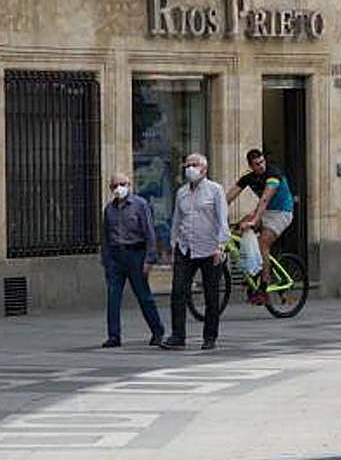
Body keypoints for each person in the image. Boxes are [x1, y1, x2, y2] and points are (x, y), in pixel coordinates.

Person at [161, 153, 229, 351]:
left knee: (211, 294)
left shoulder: (215, 190)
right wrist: (173, 244)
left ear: (204, 169)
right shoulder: (181, 192)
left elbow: (222, 220)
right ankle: (178, 335)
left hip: (210, 249)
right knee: (178, 291)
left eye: (194, 165)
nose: (189, 168)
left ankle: (209, 337)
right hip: (186, 247)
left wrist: (221, 246)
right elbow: (176, 220)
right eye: (187, 165)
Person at [99, 172, 166, 348]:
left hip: (136, 253)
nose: (118, 188)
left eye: (122, 184)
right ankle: (114, 335)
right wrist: (106, 260)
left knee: (144, 296)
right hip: (115, 256)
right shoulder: (109, 209)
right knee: (113, 297)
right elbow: (105, 237)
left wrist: (149, 259)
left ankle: (157, 331)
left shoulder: (139, 205)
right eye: (114, 185)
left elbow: (150, 233)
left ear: (129, 185)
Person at [226, 148, 294, 305]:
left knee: (262, 243)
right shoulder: (249, 178)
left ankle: (263, 287)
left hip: (282, 212)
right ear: (251, 166)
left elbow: (264, 199)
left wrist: (255, 219)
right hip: (266, 212)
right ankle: (254, 270)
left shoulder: (273, 175)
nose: (262, 166)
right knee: (237, 230)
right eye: (257, 164)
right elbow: (228, 197)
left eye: (262, 162)